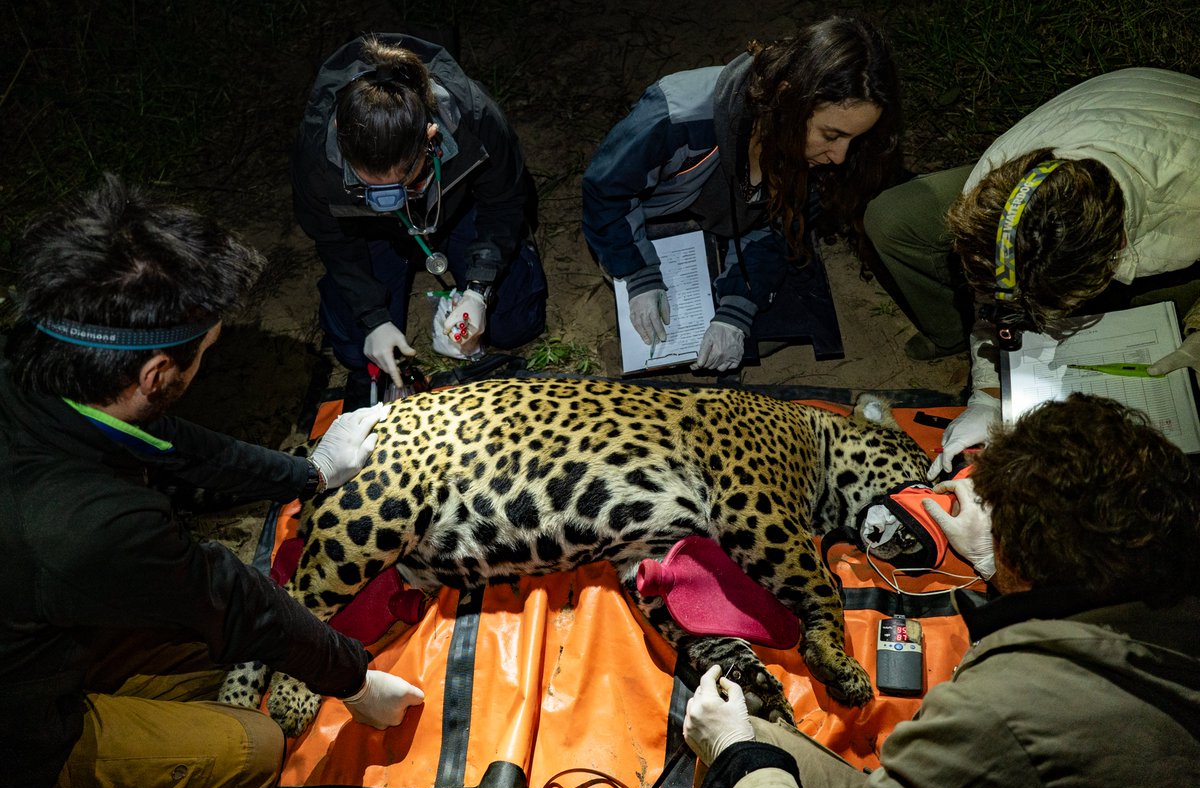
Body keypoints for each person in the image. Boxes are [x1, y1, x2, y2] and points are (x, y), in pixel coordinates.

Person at [0, 176, 425, 788]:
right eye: (205, 354)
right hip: (21, 731)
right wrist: (354, 680)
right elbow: (223, 594)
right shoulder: (87, 522)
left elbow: (161, 439)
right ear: (156, 372)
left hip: (33, 610)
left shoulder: (37, 364)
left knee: (215, 659)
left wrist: (309, 473)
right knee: (252, 745)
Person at [682, 393, 1200, 788]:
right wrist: (994, 563)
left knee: (752, 745)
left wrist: (735, 754)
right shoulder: (1178, 584)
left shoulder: (995, 711)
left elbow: (1009, 720)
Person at [861, 68, 1200, 477]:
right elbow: (997, 292)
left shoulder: (1190, 196)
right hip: (1117, 127)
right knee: (895, 219)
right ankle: (949, 334)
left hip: (1177, 174)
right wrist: (986, 395)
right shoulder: (997, 189)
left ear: (1118, 250)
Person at [582, 15, 902, 373]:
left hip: (727, 222)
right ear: (787, 99)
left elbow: (778, 229)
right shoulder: (678, 117)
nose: (840, 157)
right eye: (831, 136)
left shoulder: (823, 158)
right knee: (654, 332)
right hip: (657, 217)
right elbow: (605, 190)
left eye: (853, 140)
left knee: (759, 328)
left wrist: (737, 308)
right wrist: (638, 272)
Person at [293, 33, 547, 409]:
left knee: (513, 323)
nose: (390, 199)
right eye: (372, 188)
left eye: (404, 181)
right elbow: (335, 242)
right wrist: (374, 318)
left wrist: (480, 288)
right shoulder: (316, 156)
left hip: (455, 211)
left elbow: (506, 200)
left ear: (431, 138)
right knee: (355, 350)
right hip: (374, 234)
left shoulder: (473, 117)